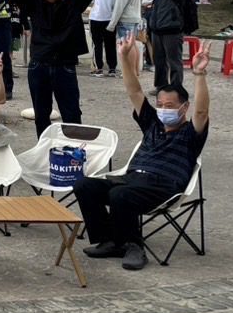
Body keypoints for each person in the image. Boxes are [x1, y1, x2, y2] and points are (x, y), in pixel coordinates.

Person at [76, 38, 210, 269]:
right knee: (84, 185)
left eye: (170, 105)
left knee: (120, 195)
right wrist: (124, 58)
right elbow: (134, 91)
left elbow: (202, 110)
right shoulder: (152, 124)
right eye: (161, 104)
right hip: (132, 179)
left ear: (184, 107)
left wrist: (199, 74)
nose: (164, 109)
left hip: (164, 186)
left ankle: (133, 245)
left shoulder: (190, 134)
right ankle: (110, 240)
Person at [1, 0, 96, 134]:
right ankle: (44, 150)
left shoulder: (73, 2)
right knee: (41, 113)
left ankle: (73, 149)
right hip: (39, 65)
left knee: (71, 112)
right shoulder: (35, 3)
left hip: (64, 65)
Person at [143, 0, 189, 92]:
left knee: (174, 61)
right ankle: (161, 86)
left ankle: (176, 88)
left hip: (172, 30)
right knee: (159, 61)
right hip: (157, 30)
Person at [87, 0, 117, 77]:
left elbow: (91, 1)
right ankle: (112, 68)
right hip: (110, 18)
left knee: (97, 44)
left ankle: (98, 68)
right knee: (110, 44)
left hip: (95, 17)